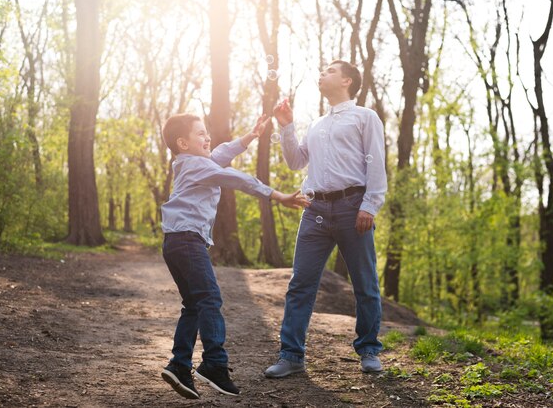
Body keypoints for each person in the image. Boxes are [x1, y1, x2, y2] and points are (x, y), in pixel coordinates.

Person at [159, 113, 308, 399]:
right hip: (188, 242)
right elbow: (236, 178)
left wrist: (249, 137)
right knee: (210, 300)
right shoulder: (197, 166)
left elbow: (220, 154)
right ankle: (215, 364)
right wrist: (277, 195)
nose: (207, 138)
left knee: (193, 304)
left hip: (176, 243)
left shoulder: (191, 163)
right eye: (201, 134)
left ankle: (179, 365)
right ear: (183, 142)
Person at [265, 60, 387, 378]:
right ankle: (291, 355)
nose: (322, 74)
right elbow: (295, 161)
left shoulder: (365, 117)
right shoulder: (317, 125)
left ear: (347, 81)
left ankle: (370, 350)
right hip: (315, 210)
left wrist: (370, 205)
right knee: (300, 285)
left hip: (352, 208)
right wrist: (286, 125)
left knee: (365, 284)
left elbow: (376, 162)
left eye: (330, 71)